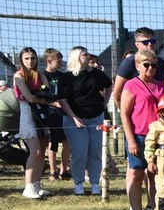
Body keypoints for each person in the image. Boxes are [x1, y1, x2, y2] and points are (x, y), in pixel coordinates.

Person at [120, 48, 164, 210]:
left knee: (155, 173)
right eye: (146, 65)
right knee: (136, 173)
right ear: (138, 65)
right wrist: (131, 139)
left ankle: (154, 208)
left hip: (159, 136)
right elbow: (124, 114)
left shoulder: (162, 86)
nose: (150, 68)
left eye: (154, 65)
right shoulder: (130, 85)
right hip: (139, 135)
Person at [58, 46, 112, 196]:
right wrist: (74, 118)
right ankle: (78, 183)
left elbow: (109, 85)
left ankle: (95, 182)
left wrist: (105, 103)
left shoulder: (97, 74)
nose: (88, 56)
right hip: (73, 119)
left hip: (96, 117)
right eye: (85, 54)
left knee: (95, 151)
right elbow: (62, 100)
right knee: (79, 152)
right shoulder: (66, 77)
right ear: (76, 56)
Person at [13, 47, 57, 199]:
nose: (30, 61)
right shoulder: (18, 75)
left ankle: (37, 185)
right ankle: (28, 186)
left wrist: (44, 97)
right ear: (21, 60)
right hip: (27, 113)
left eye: (32, 58)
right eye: (27, 58)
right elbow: (29, 97)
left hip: (42, 113)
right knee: (35, 151)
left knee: (42, 151)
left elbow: (48, 92)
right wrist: (43, 98)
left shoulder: (40, 75)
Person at [113, 28, 164, 108]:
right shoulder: (128, 63)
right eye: (145, 42)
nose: (149, 44)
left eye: (152, 41)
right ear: (137, 44)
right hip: (136, 115)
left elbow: (160, 90)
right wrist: (125, 114)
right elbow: (117, 94)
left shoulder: (161, 63)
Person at [42, 48, 70, 181]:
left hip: (63, 112)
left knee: (67, 142)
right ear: (49, 61)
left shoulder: (62, 76)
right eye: (58, 61)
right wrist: (53, 103)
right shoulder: (42, 76)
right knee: (52, 143)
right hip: (50, 113)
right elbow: (42, 96)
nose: (61, 63)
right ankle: (53, 171)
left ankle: (64, 170)